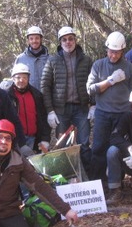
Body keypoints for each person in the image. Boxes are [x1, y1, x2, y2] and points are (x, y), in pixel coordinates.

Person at [86, 31, 132, 183]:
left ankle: (116, 183)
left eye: (117, 53)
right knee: (98, 148)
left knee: (118, 149)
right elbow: (90, 89)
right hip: (103, 113)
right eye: (111, 52)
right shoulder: (98, 65)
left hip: (123, 114)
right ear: (107, 49)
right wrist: (110, 81)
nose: (113, 56)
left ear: (122, 51)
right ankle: (98, 184)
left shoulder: (129, 68)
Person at [40, 26, 94, 161]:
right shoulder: (52, 60)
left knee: (84, 143)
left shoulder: (86, 60)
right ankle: (64, 178)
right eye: (64, 40)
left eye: (70, 39)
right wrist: (50, 110)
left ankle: (87, 175)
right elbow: (45, 86)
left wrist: (93, 104)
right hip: (61, 109)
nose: (68, 42)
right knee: (62, 145)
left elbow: (93, 83)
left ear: (75, 40)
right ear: (60, 42)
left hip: (81, 108)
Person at [2, 63, 51, 156]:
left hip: (33, 138)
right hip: (15, 140)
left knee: (31, 167)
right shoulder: (7, 96)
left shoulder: (36, 95)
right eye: (18, 77)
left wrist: (45, 138)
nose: (22, 80)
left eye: (25, 77)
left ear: (28, 78)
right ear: (13, 78)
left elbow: (43, 118)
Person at [14, 25, 50, 91]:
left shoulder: (49, 59)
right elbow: (15, 80)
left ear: (41, 39)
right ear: (28, 40)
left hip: (46, 97)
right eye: (31, 38)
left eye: (37, 38)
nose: (34, 41)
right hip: (28, 97)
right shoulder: (21, 59)